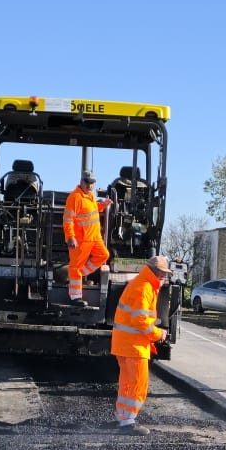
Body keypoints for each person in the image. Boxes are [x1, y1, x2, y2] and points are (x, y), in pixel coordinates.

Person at [111, 252, 170, 431]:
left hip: (125, 344)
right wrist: (159, 334)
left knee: (127, 383)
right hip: (134, 346)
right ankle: (128, 421)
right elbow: (141, 322)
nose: (165, 277)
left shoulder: (141, 284)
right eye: (163, 273)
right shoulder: (144, 288)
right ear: (156, 272)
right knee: (138, 384)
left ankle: (121, 417)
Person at [63, 170, 111, 300]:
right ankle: (75, 297)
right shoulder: (74, 197)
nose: (90, 185)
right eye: (87, 182)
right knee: (75, 267)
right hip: (81, 240)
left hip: (95, 238)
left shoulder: (90, 196)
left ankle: (80, 274)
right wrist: (70, 237)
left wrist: (103, 205)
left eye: (92, 183)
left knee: (104, 255)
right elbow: (68, 220)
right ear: (81, 182)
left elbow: (92, 210)